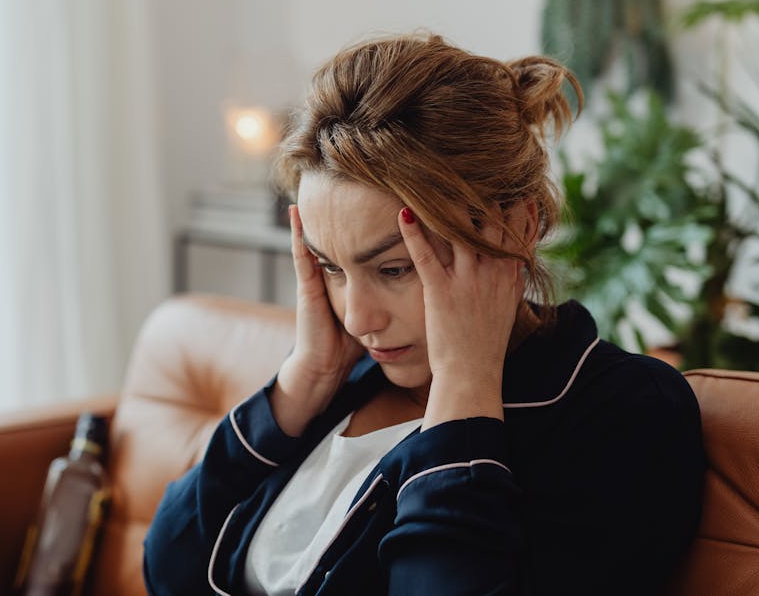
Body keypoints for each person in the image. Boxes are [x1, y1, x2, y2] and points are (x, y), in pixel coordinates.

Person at [143, 33, 704, 595]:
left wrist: (465, 388)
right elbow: (167, 567)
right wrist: (301, 382)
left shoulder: (622, 413)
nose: (358, 319)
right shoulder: (345, 381)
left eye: (393, 269)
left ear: (518, 227)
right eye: (330, 267)